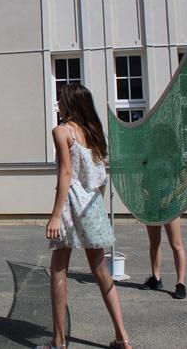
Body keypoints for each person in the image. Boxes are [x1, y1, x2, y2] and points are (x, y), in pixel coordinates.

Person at [40, 84, 131, 349]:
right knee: (101, 270)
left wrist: (55, 215)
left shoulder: (61, 132)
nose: (58, 104)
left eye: (61, 100)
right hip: (93, 205)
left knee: (59, 269)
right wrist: (96, 208)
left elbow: (66, 174)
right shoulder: (94, 135)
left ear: (70, 103)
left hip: (70, 206)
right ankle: (122, 337)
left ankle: (59, 341)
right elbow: (101, 177)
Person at [140, 123, 187, 299]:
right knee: (154, 243)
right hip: (152, 205)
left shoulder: (174, 157)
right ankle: (156, 277)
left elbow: (184, 183)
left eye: (159, 136)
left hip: (170, 205)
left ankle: (180, 283)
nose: (156, 139)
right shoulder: (150, 157)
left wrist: (169, 197)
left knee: (176, 244)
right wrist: (144, 193)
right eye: (155, 136)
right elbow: (144, 182)